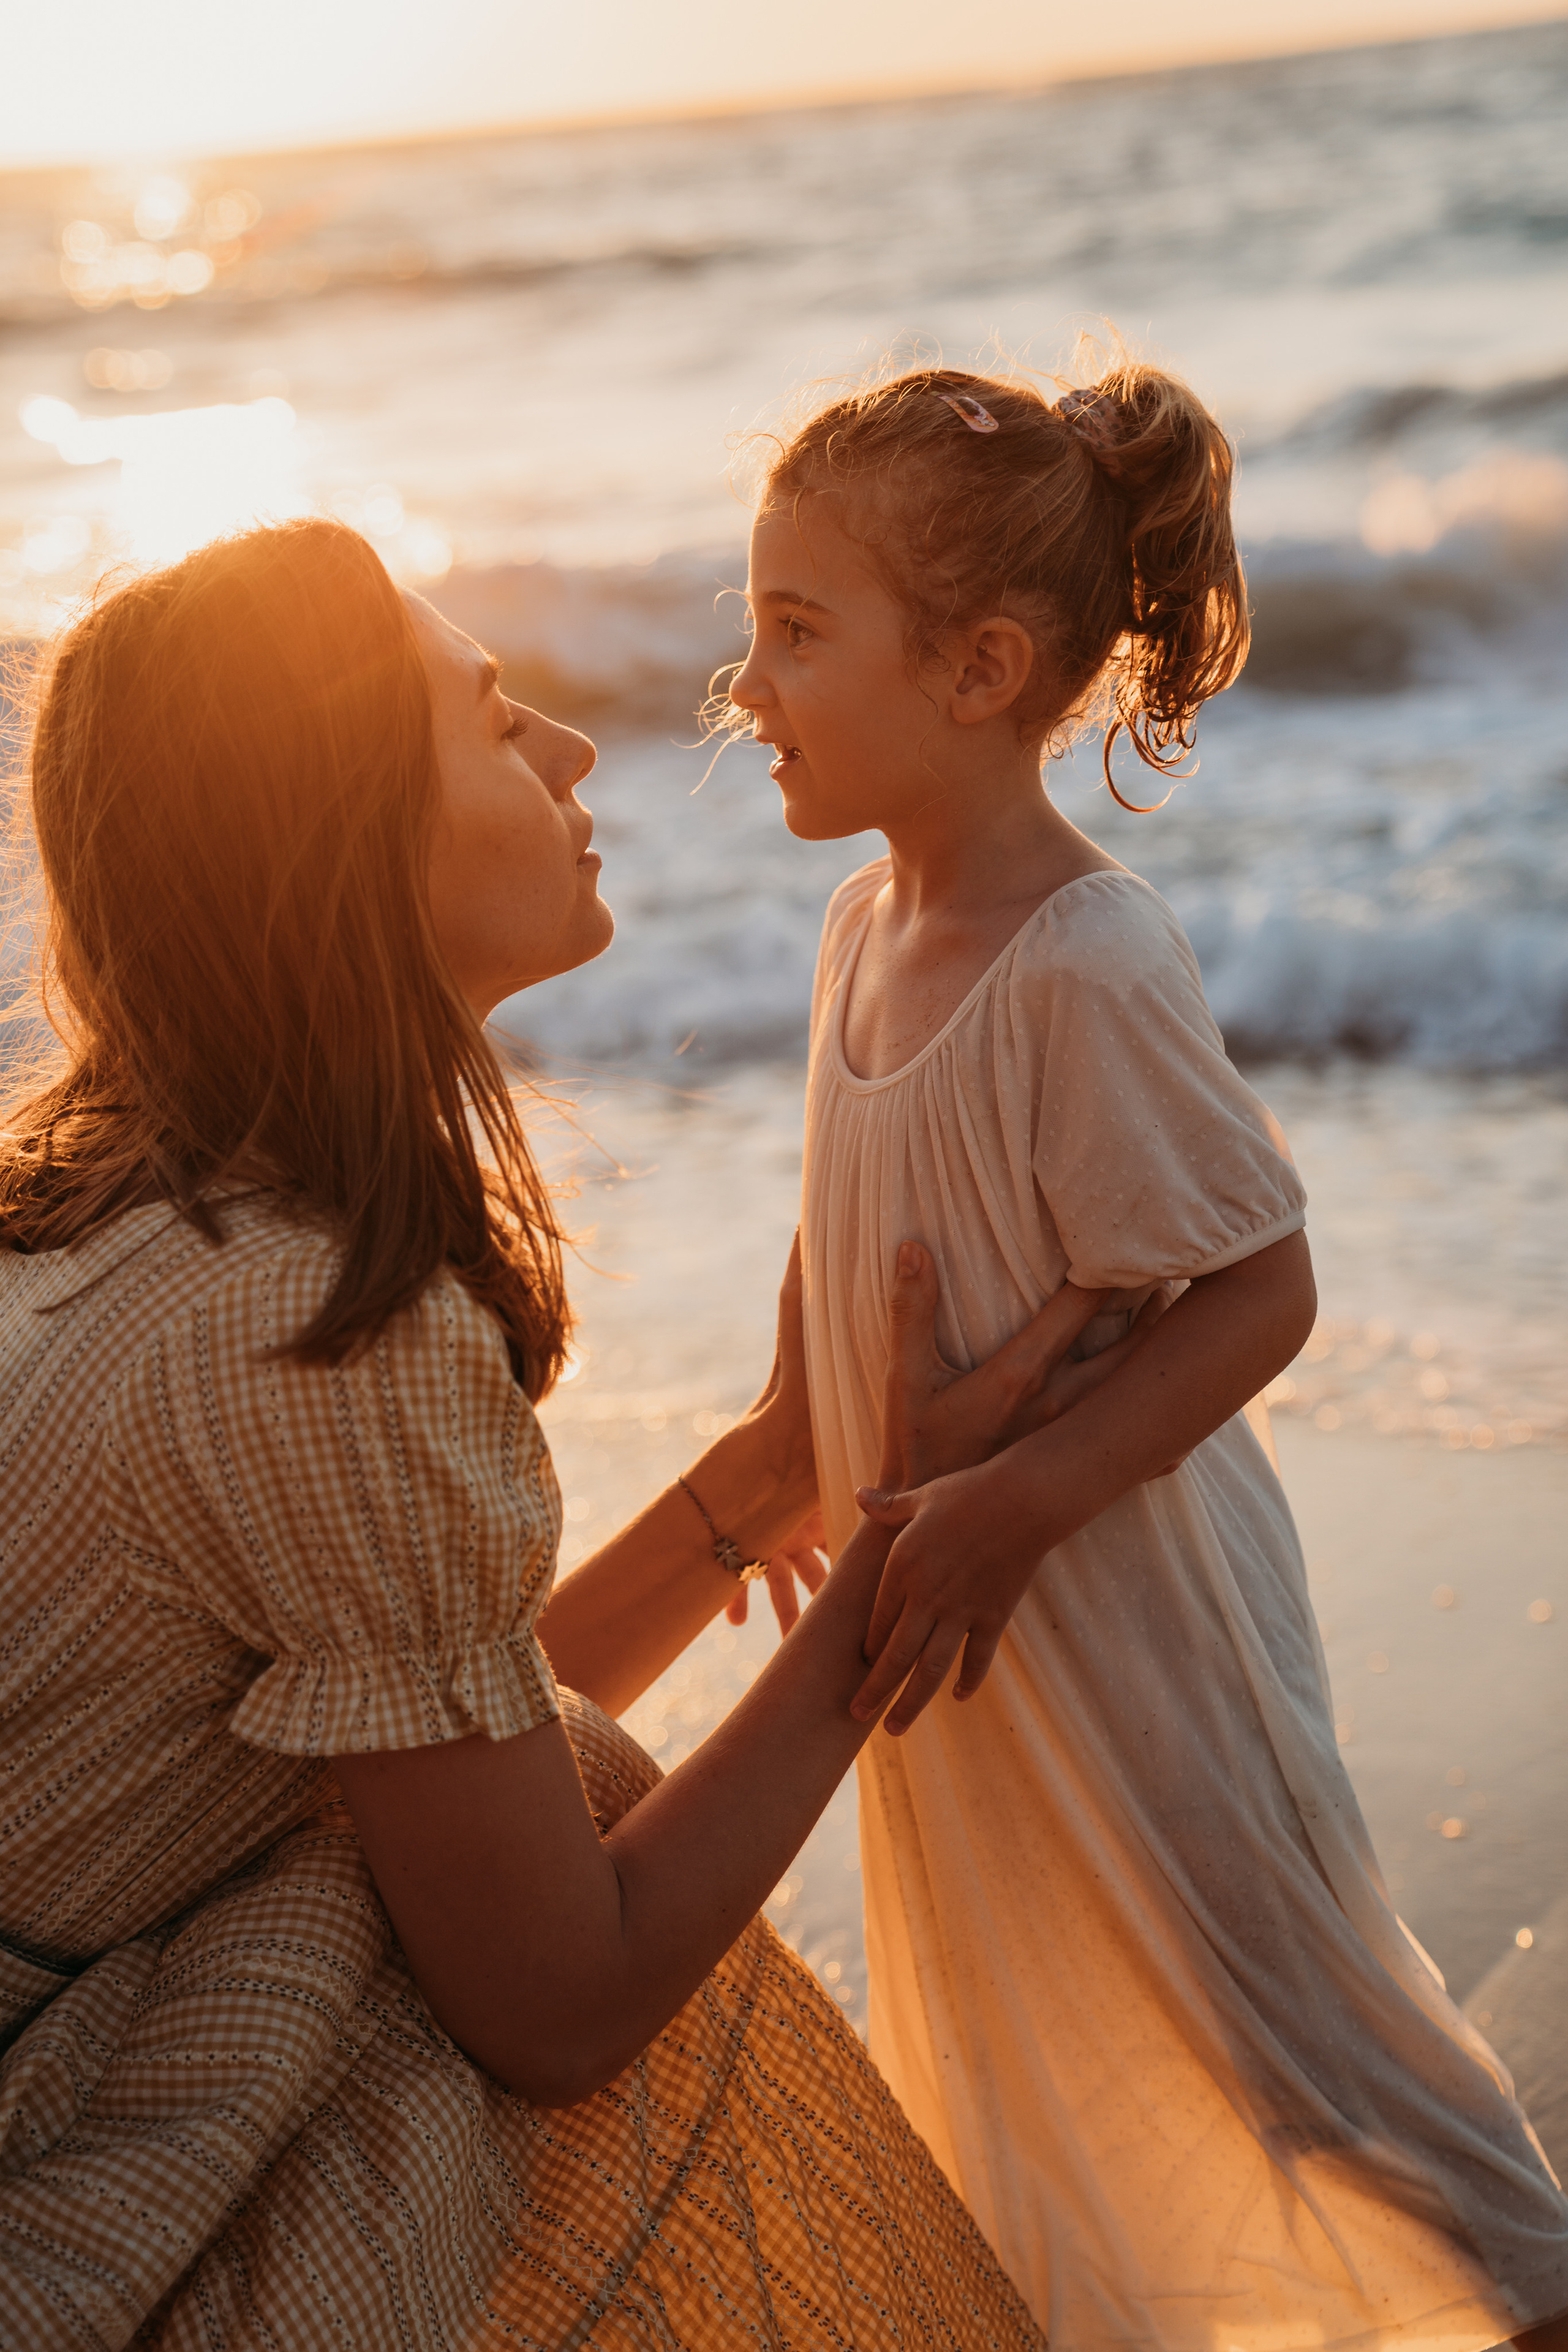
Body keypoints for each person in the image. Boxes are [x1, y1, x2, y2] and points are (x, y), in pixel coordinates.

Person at [0, 516, 1094, 2347]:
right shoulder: (308, 1332)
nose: (575, 754)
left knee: (454, 1827)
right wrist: (908, 1547)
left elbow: (445, 1744)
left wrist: (768, 1473)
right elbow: (556, 1991)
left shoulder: (120, 1215)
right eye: (496, 721)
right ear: (344, 842)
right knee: (454, 1966)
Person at [727, 354, 1568, 2350]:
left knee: (1308, 2045)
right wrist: (789, 1440)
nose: (740, 686)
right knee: (1060, 2047)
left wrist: (1015, 1501)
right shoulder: (863, 927)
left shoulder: (1080, 961)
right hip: (960, 1621)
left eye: (790, 631)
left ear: (978, 667)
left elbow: (1260, 1290)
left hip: (1128, 1618)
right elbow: (843, 1215)